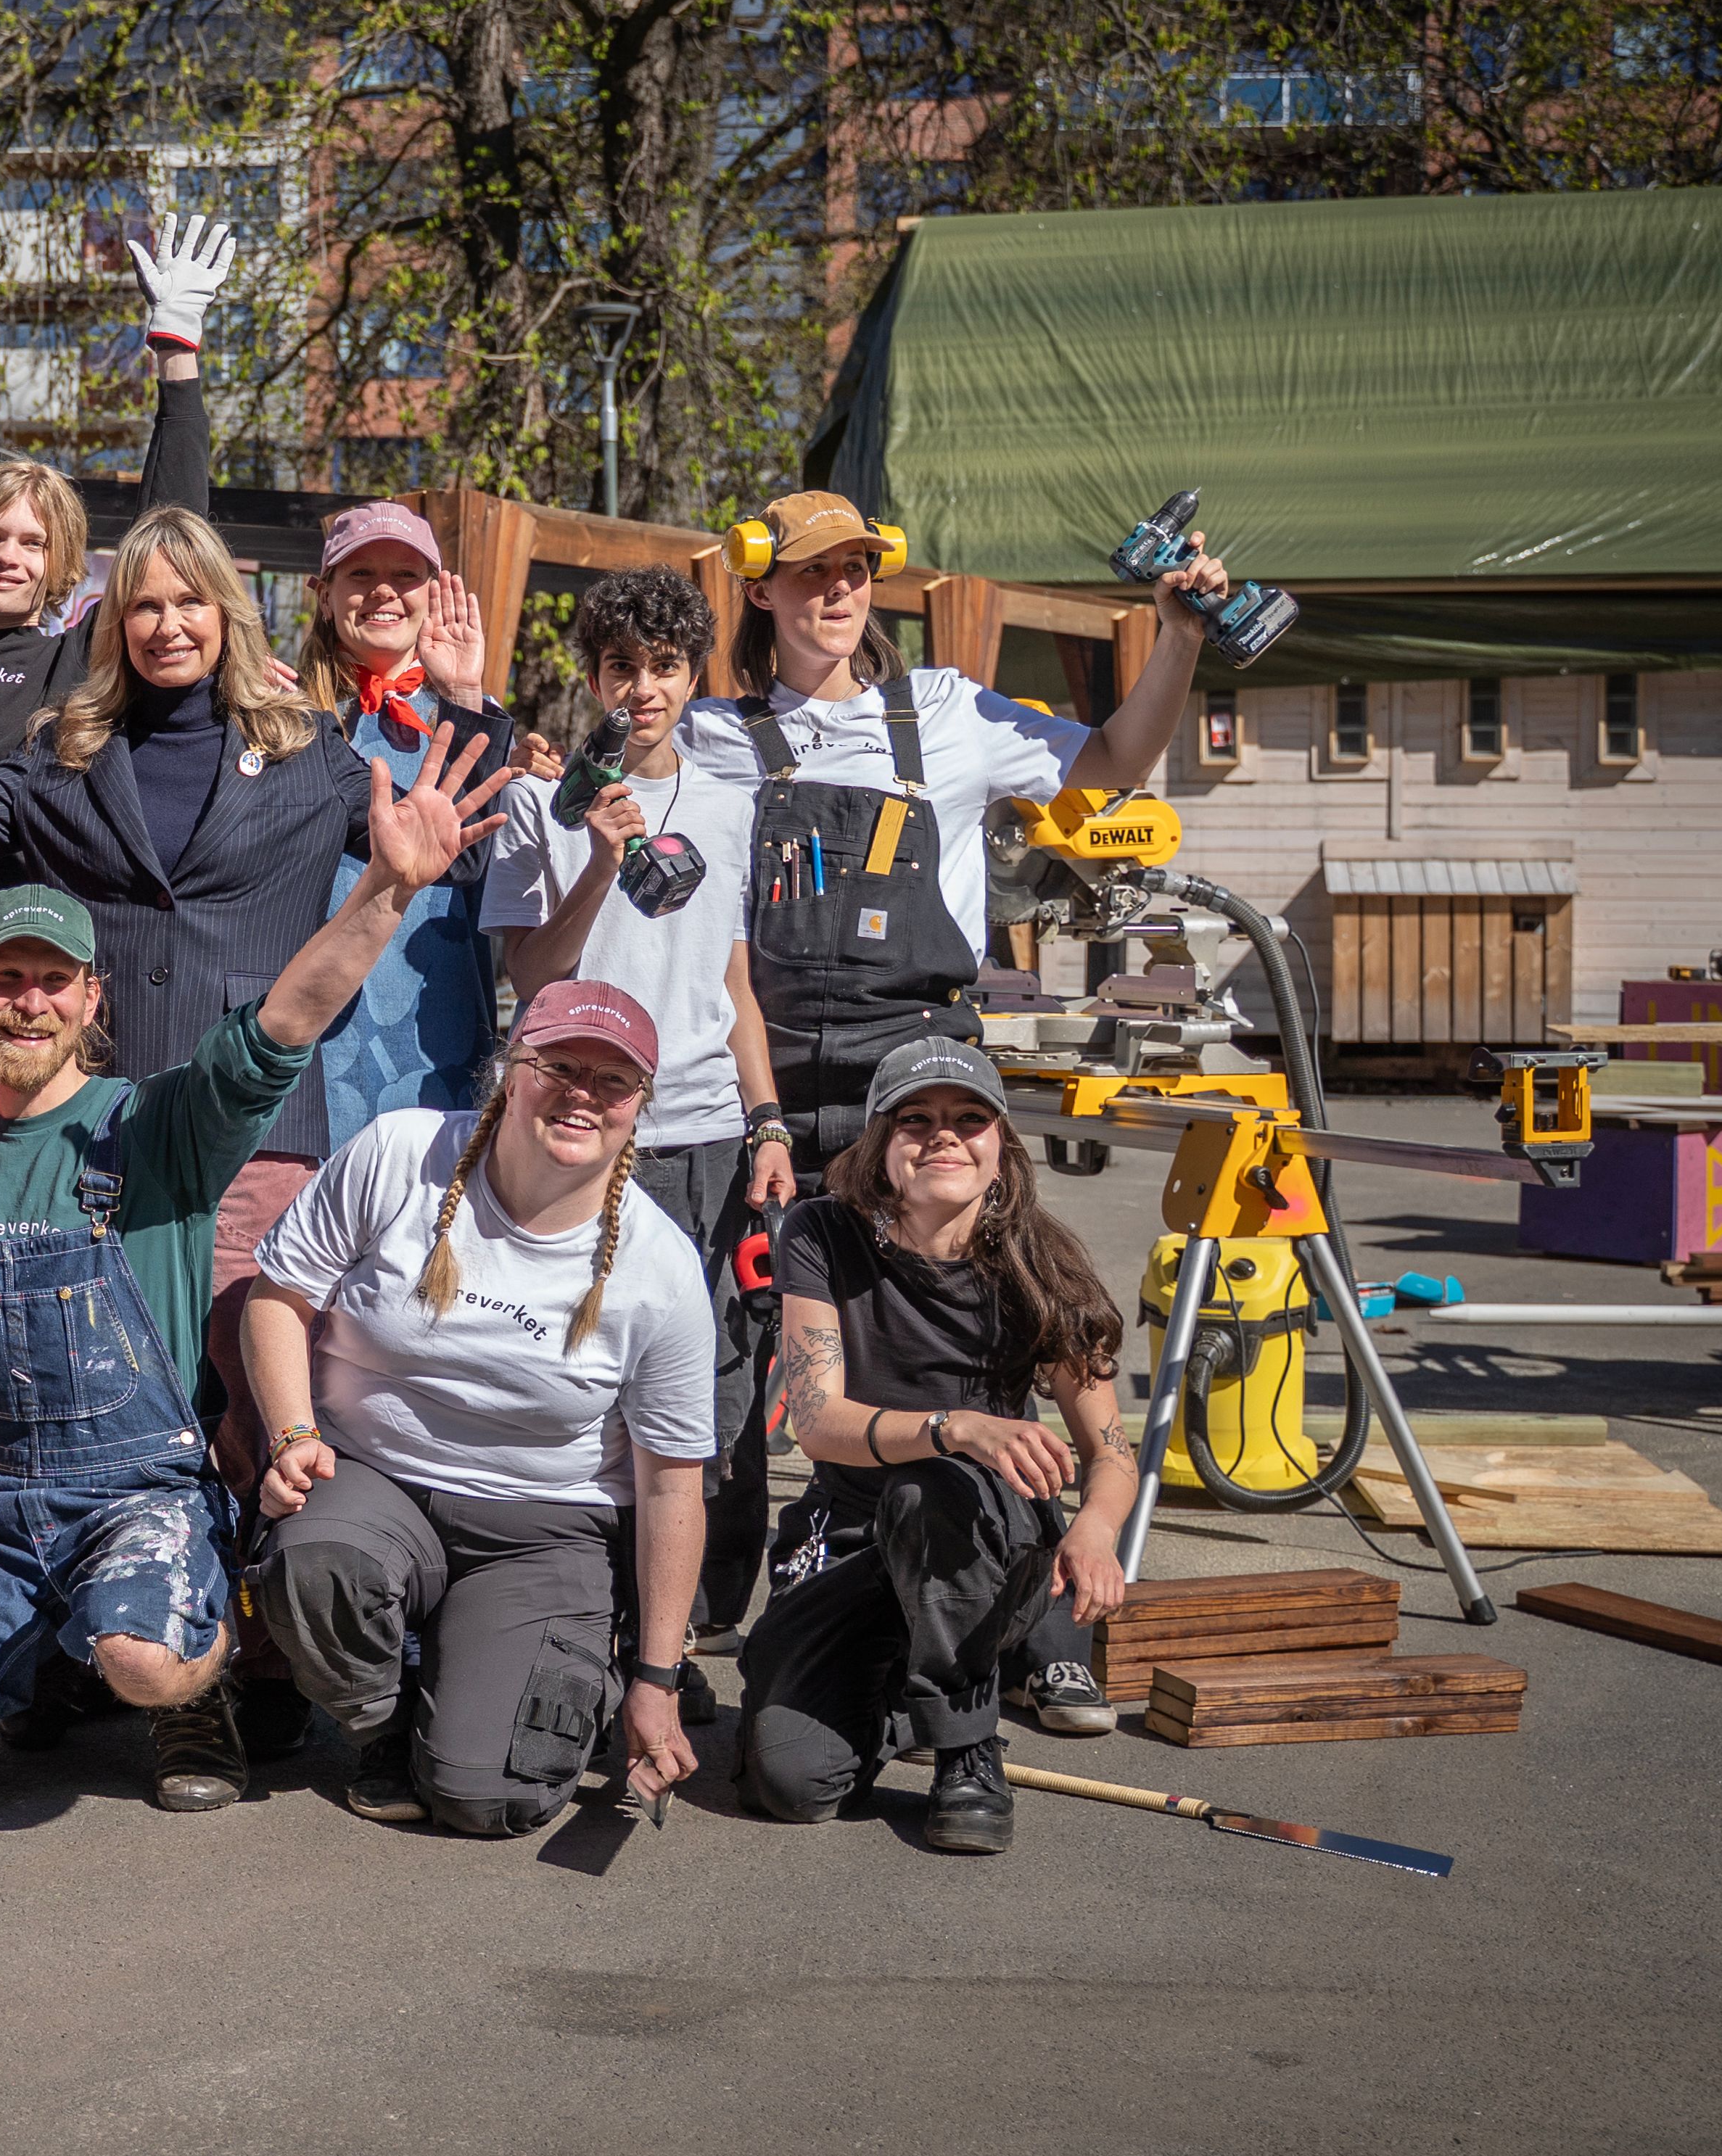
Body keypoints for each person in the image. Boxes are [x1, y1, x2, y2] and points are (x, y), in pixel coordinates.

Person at [0, 729, 504, 1824]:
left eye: (53, 981)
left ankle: (186, 1642)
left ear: (92, 1000)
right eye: (5, 979)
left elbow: (283, 1023)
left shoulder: (157, 1126)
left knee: (142, 1659)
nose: (29, 1002)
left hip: (137, 1497)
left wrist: (384, 889)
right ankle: (12, 1650)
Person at [673, 484, 1222, 1717]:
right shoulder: (710, 735)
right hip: (759, 1078)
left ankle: (1019, 1600)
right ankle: (711, 1608)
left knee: (964, 1332)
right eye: (809, 570)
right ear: (757, 583)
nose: (836, 590)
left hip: (918, 1079)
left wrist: (1177, 635)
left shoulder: (947, 713)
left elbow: (1113, 759)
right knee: (726, 1351)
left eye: (855, 569)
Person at [236, 983, 720, 1836]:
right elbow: (277, 1298)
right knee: (315, 1564)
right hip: (371, 1476)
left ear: (639, 1104)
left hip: (545, 1523)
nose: (581, 1093)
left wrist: (656, 1677)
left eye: (612, 1080)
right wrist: (292, 1434)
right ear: (508, 1070)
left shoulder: (662, 1265)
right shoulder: (399, 1151)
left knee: (487, 1798)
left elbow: (672, 1484)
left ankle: (527, 1665)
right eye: (558, 1065)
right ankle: (383, 1720)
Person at [479, 568, 774, 1668]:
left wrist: (767, 1121)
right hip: (580, 1124)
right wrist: (600, 861)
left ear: (693, 676)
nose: (641, 689)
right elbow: (530, 975)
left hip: (705, 1127)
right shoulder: (543, 804)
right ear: (591, 677)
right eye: (619, 668)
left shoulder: (730, 802)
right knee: (583, 1366)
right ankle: (585, 1608)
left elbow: (734, 983)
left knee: (710, 1378)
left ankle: (688, 1619)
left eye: (663, 667)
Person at [738, 1038, 1135, 1854]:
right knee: (791, 1783)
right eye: (914, 1119)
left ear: (1000, 1146)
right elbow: (815, 1419)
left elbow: (1110, 1451)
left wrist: (1095, 1530)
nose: (942, 1135)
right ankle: (918, 1688)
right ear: (879, 1145)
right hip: (852, 1537)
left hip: (981, 1536)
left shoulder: (1042, 1261)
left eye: (968, 1118)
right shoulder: (820, 1232)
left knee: (932, 1489)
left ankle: (965, 1745)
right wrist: (952, 1424)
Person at [0, 219, 231, 1137]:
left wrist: (176, 357)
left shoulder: (75, 661)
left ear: (62, 564)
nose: (7, 554)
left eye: (32, 541)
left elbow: (171, 535)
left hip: (31, 982)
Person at [284, 499, 506, 1262]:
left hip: (438, 1038)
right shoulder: (282, 715)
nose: (383, 590)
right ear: (323, 594)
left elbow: (478, 874)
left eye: (404, 575)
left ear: (434, 591)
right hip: (316, 1049)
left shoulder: (478, 713)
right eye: (361, 574)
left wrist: (465, 697)